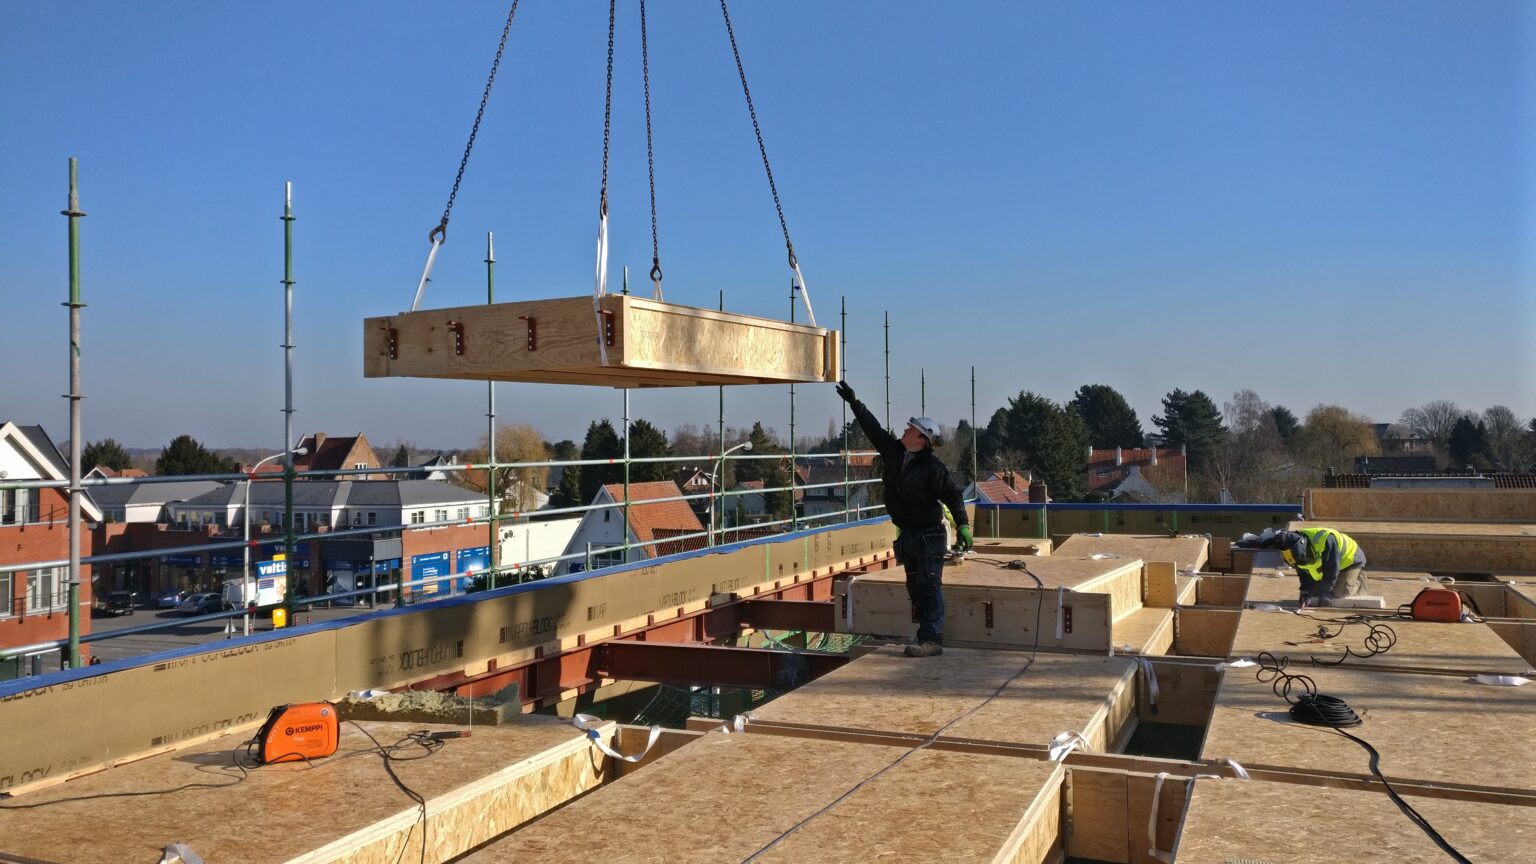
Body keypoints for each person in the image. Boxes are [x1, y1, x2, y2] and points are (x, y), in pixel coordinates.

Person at [836, 380, 971, 657]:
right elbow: (873, 429)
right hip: (908, 532)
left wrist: (964, 525)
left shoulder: (933, 469)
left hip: (928, 534)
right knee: (914, 585)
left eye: (910, 429)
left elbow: (953, 496)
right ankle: (925, 634)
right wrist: (855, 403)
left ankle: (932, 639)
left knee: (929, 584)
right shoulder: (895, 452)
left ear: (921, 438)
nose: (905, 430)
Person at [1276, 527, 1368, 607]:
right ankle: (1341, 581)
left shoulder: (1325, 540)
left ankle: (1360, 582)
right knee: (1314, 593)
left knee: (1340, 592)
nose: (1301, 565)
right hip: (1333, 566)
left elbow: (1332, 568)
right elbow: (1304, 575)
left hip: (1351, 560)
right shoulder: (1297, 556)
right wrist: (1305, 592)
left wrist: (1327, 593)